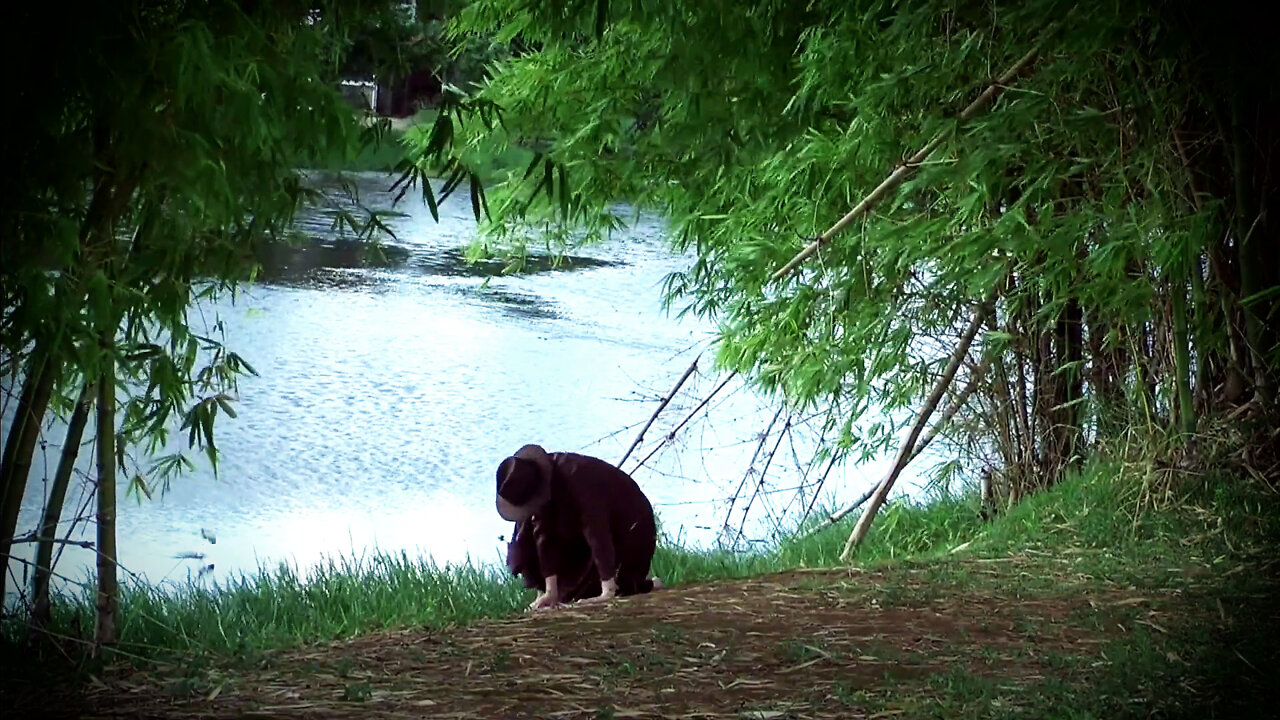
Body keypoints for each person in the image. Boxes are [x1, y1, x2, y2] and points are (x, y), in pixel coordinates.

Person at [496, 444, 659, 610]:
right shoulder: (538, 484)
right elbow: (543, 535)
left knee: (622, 589)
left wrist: (607, 590)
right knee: (525, 531)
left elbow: (597, 531)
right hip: (586, 530)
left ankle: (632, 584)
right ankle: (561, 590)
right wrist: (550, 591)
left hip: (632, 524)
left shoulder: (578, 476)